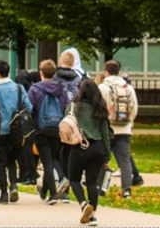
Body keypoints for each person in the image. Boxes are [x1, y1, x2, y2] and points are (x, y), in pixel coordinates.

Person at [67, 78, 113, 226]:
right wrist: (107, 156)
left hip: (79, 147)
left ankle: (83, 205)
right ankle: (92, 216)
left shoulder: (73, 107)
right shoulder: (100, 109)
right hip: (97, 148)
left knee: (74, 179)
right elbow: (106, 134)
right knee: (92, 183)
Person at [0, 59, 30, 205]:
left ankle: (3, 192)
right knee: (12, 159)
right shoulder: (18, 88)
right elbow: (29, 107)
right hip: (16, 130)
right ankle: (14, 186)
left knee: (0, 161)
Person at [27, 59, 70, 204]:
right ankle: (44, 190)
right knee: (52, 158)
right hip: (57, 129)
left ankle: (52, 194)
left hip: (41, 129)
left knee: (47, 162)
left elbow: (29, 108)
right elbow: (66, 107)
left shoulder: (35, 89)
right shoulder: (61, 89)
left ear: (41, 73)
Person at [96, 60, 140, 199]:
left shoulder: (102, 87)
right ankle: (126, 190)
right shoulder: (128, 87)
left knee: (103, 159)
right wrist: (129, 122)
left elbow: (97, 107)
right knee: (124, 161)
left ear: (106, 72)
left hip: (107, 129)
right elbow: (134, 108)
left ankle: (101, 187)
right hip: (124, 129)